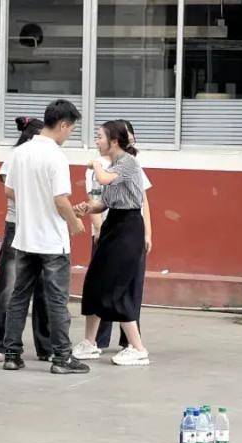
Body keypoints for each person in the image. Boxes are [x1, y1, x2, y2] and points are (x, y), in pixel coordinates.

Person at [2, 99, 89, 375]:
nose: (69, 134)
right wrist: (74, 222)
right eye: (71, 129)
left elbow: (9, 190)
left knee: (19, 297)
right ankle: (62, 357)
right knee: (56, 300)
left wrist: (33, 203)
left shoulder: (21, 152)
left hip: (25, 237)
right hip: (52, 240)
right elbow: (61, 200)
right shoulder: (56, 157)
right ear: (62, 125)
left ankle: (12, 354)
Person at [72, 120, 151, 366]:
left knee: (116, 287)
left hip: (128, 228)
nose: (96, 141)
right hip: (112, 224)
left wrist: (96, 164)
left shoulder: (128, 162)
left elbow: (104, 179)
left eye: (100, 137)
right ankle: (89, 342)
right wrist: (87, 208)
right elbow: (104, 202)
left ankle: (137, 348)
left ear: (114, 141)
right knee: (95, 282)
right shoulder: (114, 166)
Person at [0, 117, 51, 363]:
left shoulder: (50, 156)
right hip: (18, 226)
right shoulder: (16, 156)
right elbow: (8, 188)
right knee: (8, 286)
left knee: (45, 288)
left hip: (42, 227)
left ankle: (46, 346)